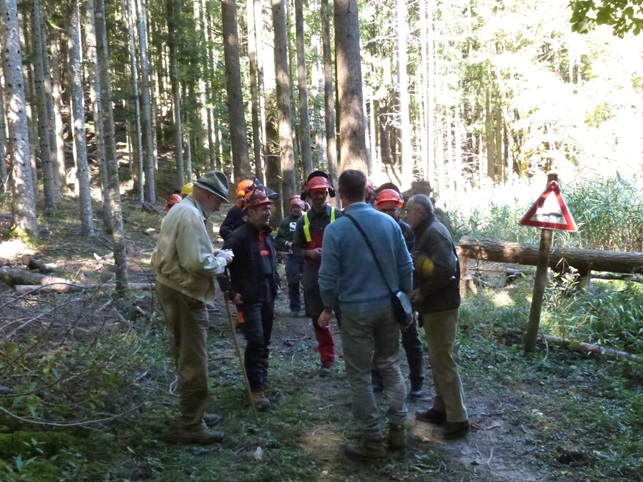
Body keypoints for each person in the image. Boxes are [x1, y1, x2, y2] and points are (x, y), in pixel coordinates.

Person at [318, 169, 413, 460]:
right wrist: (404, 299)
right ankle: (398, 430)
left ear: (342, 194)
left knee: (359, 374)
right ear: (367, 192)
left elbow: (327, 278)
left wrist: (328, 306)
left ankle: (372, 440)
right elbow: (406, 267)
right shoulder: (389, 223)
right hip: (388, 306)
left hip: (356, 311)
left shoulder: (336, 229)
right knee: (390, 364)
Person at [151, 170, 234, 445]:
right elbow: (198, 264)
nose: (220, 205)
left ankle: (195, 413)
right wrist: (223, 261)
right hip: (184, 292)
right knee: (193, 360)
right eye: (219, 200)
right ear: (207, 194)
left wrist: (212, 255)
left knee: (186, 355)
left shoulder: (184, 210)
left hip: (174, 287)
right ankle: (191, 425)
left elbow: (187, 253)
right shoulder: (189, 215)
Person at [405, 194, 469, 439]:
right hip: (434, 307)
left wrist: (423, 291)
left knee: (443, 361)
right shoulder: (426, 230)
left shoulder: (433, 232)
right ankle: (441, 407)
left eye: (409, 211)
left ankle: (458, 418)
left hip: (442, 306)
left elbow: (447, 269)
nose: (406, 215)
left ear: (420, 211)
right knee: (437, 358)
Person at [220, 188, 279, 411]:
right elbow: (219, 267)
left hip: (267, 297)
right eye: (263, 208)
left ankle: (261, 379)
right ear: (250, 211)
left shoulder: (267, 236)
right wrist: (230, 292)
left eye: (268, 208)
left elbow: (270, 264)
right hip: (248, 300)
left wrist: (276, 282)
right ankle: (254, 390)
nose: (267, 212)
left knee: (264, 341)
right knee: (255, 342)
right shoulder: (238, 237)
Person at [371, 187, 425, 399]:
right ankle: (378, 379)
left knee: (410, 337)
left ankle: (417, 382)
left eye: (391, 210)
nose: (388, 214)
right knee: (380, 338)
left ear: (398, 209)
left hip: (403, 292)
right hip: (381, 291)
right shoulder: (373, 231)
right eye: (383, 210)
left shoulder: (408, 231)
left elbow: (409, 263)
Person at [292, 171, 341, 376]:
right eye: (315, 193)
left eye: (322, 192)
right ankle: (327, 360)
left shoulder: (338, 216)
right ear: (309, 196)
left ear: (328, 193)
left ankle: (355, 359)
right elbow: (295, 249)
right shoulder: (303, 221)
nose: (319, 196)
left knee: (345, 317)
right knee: (318, 319)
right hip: (313, 274)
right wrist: (308, 252)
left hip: (338, 274)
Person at [274, 195, 306, 316]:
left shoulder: (308, 219)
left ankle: (310, 308)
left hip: (307, 256)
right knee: (293, 282)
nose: (295, 209)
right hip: (292, 256)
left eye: (298, 207)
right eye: (293, 207)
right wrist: (288, 243)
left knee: (309, 283)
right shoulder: (286, 222)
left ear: (303, 207)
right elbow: (278, 239)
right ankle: (295, 309)